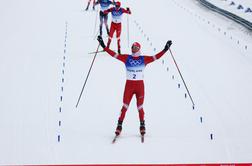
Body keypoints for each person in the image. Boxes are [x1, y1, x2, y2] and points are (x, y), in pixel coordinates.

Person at [97, 35, 172, 136]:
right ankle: (119, 125)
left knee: (140, 107)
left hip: (140, 86)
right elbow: (114, 54)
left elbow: (156, 57)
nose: (134, 49)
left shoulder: (144, 59)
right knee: (125, 106)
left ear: (139, 49)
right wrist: (104, 46)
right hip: (129, 86)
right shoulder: (126, 58)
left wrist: (165, 49)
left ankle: (142, 125)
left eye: (136, 47)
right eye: (132, 47)